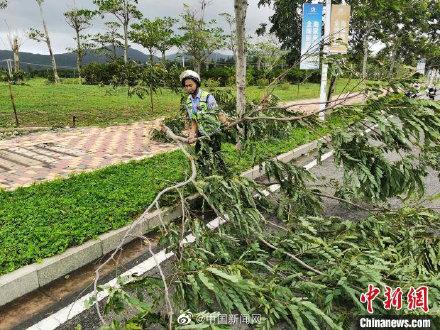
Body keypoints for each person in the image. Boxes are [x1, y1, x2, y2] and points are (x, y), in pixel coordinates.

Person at [180, 70, 229, 175]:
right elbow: (194, 120)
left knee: (216, 155)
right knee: (200, 155)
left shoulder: (207, 97)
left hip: (213, 132)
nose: (188, 88)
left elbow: (218, 112)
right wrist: (192, 135)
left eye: (190, 85)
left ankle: (224, 175)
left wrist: (226, 124)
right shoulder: (188, 101)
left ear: (197, 83)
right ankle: (206, 177)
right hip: (202, 133)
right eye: (186, 86)